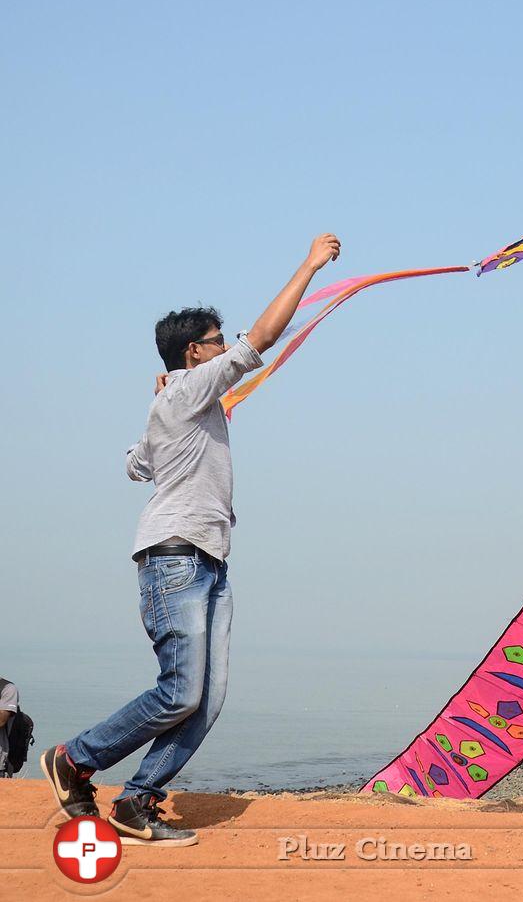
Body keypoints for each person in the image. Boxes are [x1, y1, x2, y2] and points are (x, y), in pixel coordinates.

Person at [41, 234, 341, 846]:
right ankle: (76, 759)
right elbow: (263, 336)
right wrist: (308, 266)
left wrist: (164, 407)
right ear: (192, 352)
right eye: (215, 342)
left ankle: (137, 802)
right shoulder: (185, 391)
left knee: (204, 700)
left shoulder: (180, 404)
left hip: (209, 559)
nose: (225, 348)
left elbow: (136, 463)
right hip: (175, 556)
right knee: (180, 690)